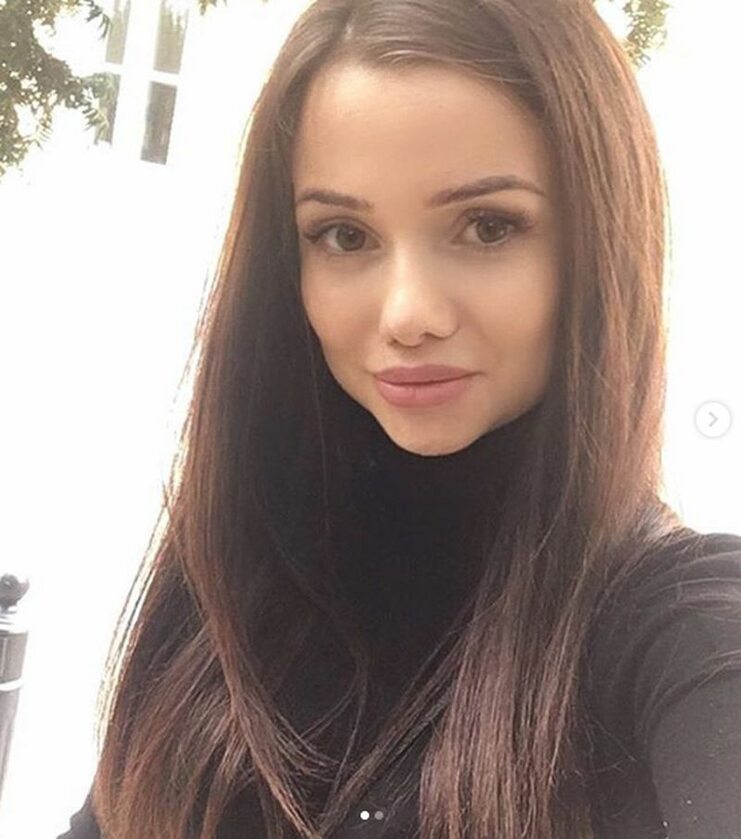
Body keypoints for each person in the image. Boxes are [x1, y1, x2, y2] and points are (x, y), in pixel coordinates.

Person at [57, 0, 741, 837]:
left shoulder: (677, 626)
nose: (407, 312)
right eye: (345, 236)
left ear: (598, 241)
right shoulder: (237, 573)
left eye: (487, 226)